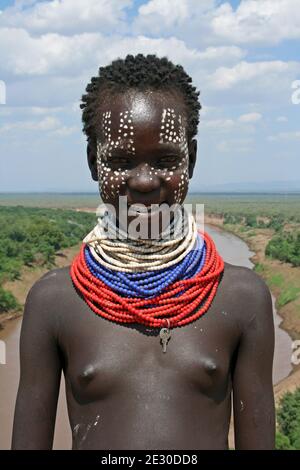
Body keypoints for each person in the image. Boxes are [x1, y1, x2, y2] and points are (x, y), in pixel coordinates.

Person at [11, 54, 275, 450]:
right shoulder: (53, 301)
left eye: (167, 160)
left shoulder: (242, 297)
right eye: (120, 161)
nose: (145, 181)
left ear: (193, 159)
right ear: (92, 162)